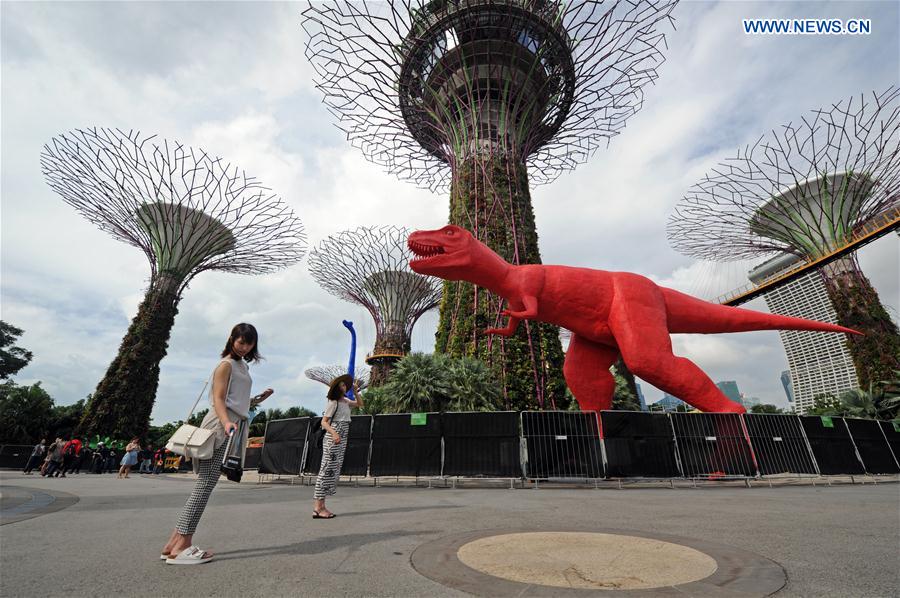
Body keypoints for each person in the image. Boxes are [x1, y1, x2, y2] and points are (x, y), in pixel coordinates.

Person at [161, 323, 273, 565]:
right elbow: (219, 399)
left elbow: (236, 400)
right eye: (241, 341)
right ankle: (183, 546)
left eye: (249, 343)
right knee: (205, 485)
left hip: (231, 422)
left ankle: (172, 545)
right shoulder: (225, 365)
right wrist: (226, 422)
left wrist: (256, 400)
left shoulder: (242, 366)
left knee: (205, 485)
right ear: (232, 339)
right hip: (219, 425)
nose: (244, 347)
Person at [312, 375, 363, 519]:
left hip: (342, 436)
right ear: (335, 388)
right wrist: (334, 433)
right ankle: (318, 507)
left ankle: (321, 507)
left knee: (331, 472)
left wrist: (356, 391)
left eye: (344, 385)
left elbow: (360, 404)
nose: (344, 387)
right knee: (326, 470)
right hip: (334, 437)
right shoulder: (333, 402)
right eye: (341, 385)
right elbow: (324, 422)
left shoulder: (345, 401)